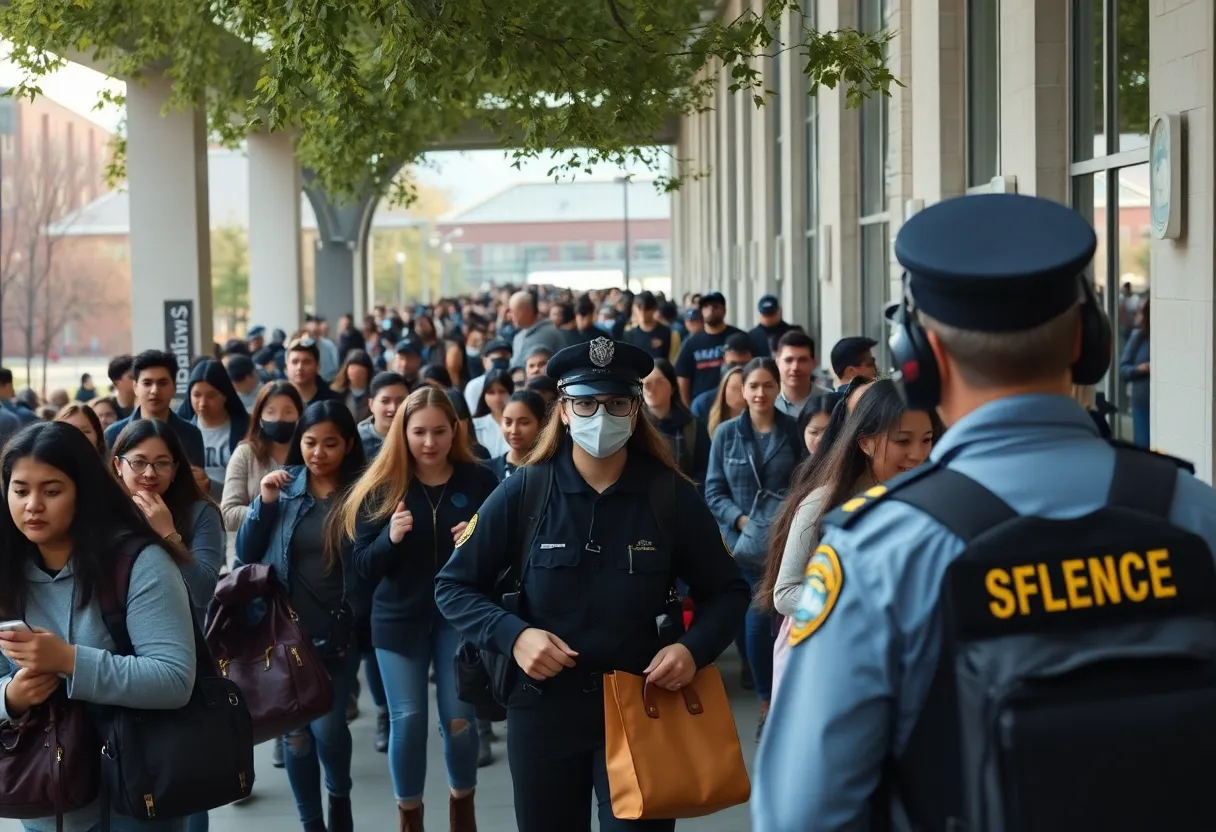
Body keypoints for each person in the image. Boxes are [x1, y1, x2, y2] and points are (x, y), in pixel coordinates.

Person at [753, 193, 1216, 831]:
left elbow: (802, 814)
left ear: (920, 358)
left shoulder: (878, 555)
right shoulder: (1195, 515)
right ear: (1087, 340)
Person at [435, 337, 751, 832]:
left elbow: (729, 591)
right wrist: (514, 636)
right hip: (543, 709)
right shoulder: (525, 491)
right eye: (585, 404)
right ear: (563, 411)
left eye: (616, 403)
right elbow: (453, 586)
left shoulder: (670, 495)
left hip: (643, 704)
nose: (601, 416)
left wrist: (693, 650)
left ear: (636, 410)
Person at [0, 422, 196, 832]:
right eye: (20, 490)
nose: (33, 505)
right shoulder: (6, 572)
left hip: (134, 794)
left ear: (83, 492)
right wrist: (11, 695)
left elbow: (174, 679)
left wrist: (69, 661)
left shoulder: (138, 563)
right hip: (44, 799)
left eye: (51, 491)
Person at [339, 388, 499, 832]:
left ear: (455, 431)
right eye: (419, 432)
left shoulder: (480, 480)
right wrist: (389, 538)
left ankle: (462, 808)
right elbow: (362, 565)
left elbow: (506, 557)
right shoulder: (382, 484)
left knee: (459, 719)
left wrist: (478, 540)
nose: (429, 442)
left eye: (439, 431)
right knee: (407, 721)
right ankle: (410, 817)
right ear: (402, 433)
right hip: (397, 617)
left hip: (460, 616)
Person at [235, 401, 367, 832]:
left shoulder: (364, 492)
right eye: (310, 442)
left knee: (328, 728)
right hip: (286, 632)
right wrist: (265, 502)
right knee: (294, 735)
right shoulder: (285, 486)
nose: (318, 452)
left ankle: (339, 797)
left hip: (339, 631)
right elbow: (246, 553)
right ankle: (311, 822)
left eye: (330, 443)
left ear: (348, 445)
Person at [104, 350, 207, 474]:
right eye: (147, 383)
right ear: (135, 387)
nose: (155, 390)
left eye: (162, 383)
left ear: (174, 387)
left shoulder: (191, 434)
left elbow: (195, 481)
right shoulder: (113, 434)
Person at [180, 359, 252, 501]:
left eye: (211, 396)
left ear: (225, 395)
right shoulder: (179, 430)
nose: (202, 403)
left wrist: (211, 486)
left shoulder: (248, 429)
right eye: (196, 395)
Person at [488, 389, 547, 482]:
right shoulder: (487, 471)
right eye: (508, 422)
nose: (514, 431)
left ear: (541, 424)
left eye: (524, 423)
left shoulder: (552, 470)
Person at [1120, 297, 1150, 448]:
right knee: (1143, 445)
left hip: (1164, 404)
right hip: (1142, 403)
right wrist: (1140, 369)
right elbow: (1123, 369)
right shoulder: (1138, 338)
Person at [472, 368, 512, 459]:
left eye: (502, 391)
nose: (497, 398)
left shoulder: (518, 425)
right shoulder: (475, 426)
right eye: (491, 392)